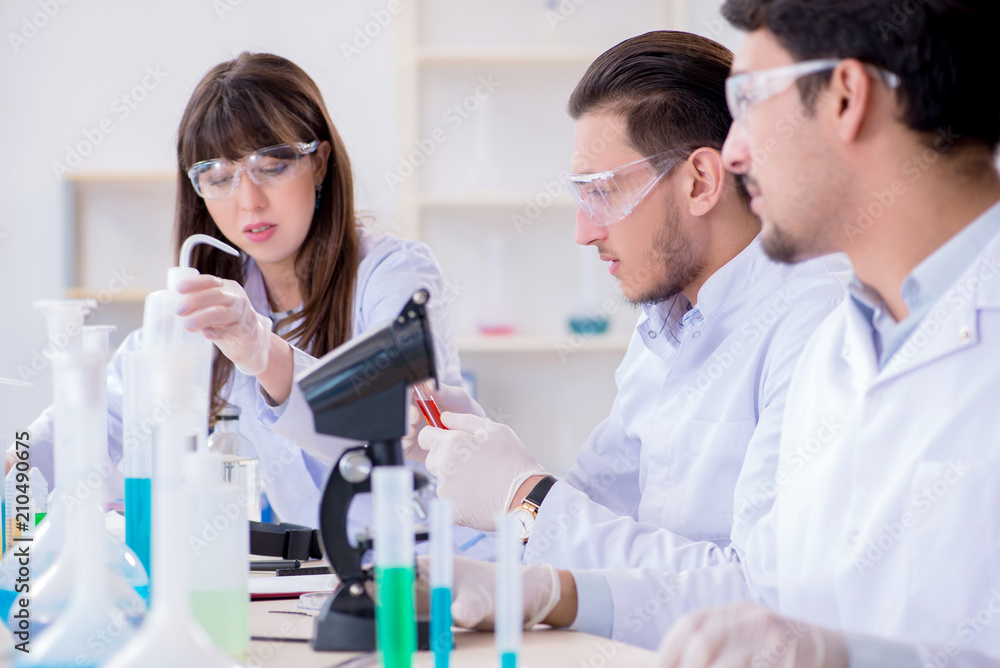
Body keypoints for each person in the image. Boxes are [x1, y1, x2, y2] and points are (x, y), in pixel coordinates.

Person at [411, 30, 849, 646]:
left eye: (602, 192)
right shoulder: (666, 322)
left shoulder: (817, 321)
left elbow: (765, 599)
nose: (584, 232)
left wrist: (523, 497)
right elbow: (590, 510)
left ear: (700, 181)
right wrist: (475, 453)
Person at [653, 0, 1000, 665]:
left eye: (748, 99)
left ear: (846, 95)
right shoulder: (832, 353)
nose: (732, 153)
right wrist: (554, 592)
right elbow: (763, 593)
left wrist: (847, 658)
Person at [19, 52, 466, 533]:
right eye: (218, 178)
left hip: (442, 559)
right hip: (324, 570)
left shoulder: (394, 273)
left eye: (272, 166)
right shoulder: (220, 302)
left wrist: (261, 350)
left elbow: (399, 421)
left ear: (319, 162)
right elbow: (93, 419)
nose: (249, 201)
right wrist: (15, 470)